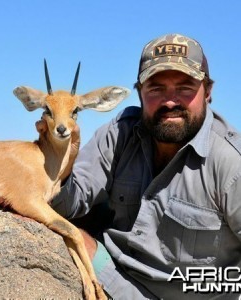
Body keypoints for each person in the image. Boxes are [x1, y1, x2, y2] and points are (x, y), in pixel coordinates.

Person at [49, 33, 241, 299]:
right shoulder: (119, 135)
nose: (170, 101)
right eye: (156, 88)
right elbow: (67, 201)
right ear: (140, 92)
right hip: (113, 278)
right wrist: (58, 156)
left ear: (207, 92)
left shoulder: (232, 164)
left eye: (185, 88)